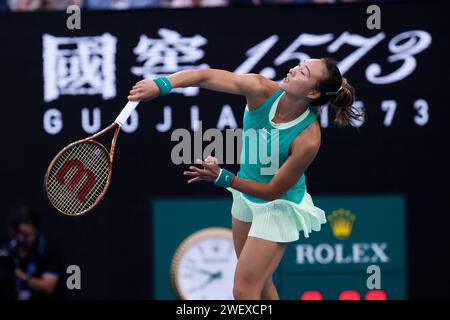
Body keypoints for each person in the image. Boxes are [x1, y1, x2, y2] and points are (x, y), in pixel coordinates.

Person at [128, 58, 363, 300]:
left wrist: (223, 177)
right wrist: (163, 84)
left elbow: (272, 191)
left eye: (303, 72)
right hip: (245, 196)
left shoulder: (308, 138)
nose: (293, 69)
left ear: (313, 92)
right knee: (259, 284)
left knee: (243, 290)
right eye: (300, 64)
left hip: (279, 206)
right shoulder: (260, 89)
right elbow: (204, 76)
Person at [7, 210, 60, 300]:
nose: (23, 239)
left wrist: (20, 275)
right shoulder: (11, 249)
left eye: (26, 235)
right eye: (19, 234)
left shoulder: (46, 249)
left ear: (35, 229)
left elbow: (48, 287)